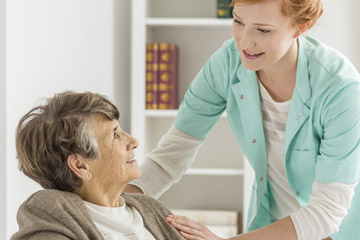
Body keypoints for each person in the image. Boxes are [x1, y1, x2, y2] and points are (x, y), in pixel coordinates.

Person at [125, 0, 360, 239]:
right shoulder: (227, 63)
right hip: (269, 225)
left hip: (337, 230)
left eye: (263, 30)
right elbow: (172, 154)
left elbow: (327, 211)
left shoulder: (340, 88)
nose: (245, 41)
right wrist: (112, 205)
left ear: (301, 27)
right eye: (238, 21)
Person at [11, 91, 184, 240]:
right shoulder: (49, 219)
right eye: (115, 135)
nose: (133, 141)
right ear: (81, 165)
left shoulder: (151, 210)